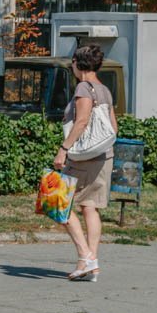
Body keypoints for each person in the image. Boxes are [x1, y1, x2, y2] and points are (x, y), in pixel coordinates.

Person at [53, 44, 120, 282]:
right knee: (90, 207)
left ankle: (85, 255)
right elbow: (113, 127)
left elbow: (81, 122)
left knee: (59, 203)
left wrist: (63, 150)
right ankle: (90, 264)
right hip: (103, 156)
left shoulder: (83, 87)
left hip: (83, 157)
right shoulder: (104, 89)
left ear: (77, 63)